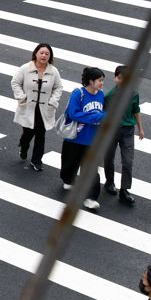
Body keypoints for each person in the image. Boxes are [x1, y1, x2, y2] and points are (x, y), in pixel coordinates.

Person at [58, 67, 106, 210]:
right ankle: (68, 179)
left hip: (92, 140)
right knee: (69, 163)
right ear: (91, 81)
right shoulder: (78, 94)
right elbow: (73, 114)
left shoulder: (101, 94)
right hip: (75, 138)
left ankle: (91, 197)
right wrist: (97, 117)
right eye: (100, 80)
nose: (102, 83)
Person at [12, 43, 63, 173]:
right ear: (36, 53)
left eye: (47, 53)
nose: (44, 56)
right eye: (42, 53)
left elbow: (58, 87)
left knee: (41, 135)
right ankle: (23, 146)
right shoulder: (25, 68)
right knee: (28, 134)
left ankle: (37, 160)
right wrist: (21, 97)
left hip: (45, 109)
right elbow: (15, 82)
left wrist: (53, 101)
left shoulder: (53, 71)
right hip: (28, 107)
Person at [102, 66, 146, 205]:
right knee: (109, 157)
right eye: (119, 78)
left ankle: (124, 190)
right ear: (115, 78)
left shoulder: (134, 94)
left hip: (127, 131)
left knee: (128, 162)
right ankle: (109, 182)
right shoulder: (109, 96)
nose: (122, 81)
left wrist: (140, 128)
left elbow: (136, 110)